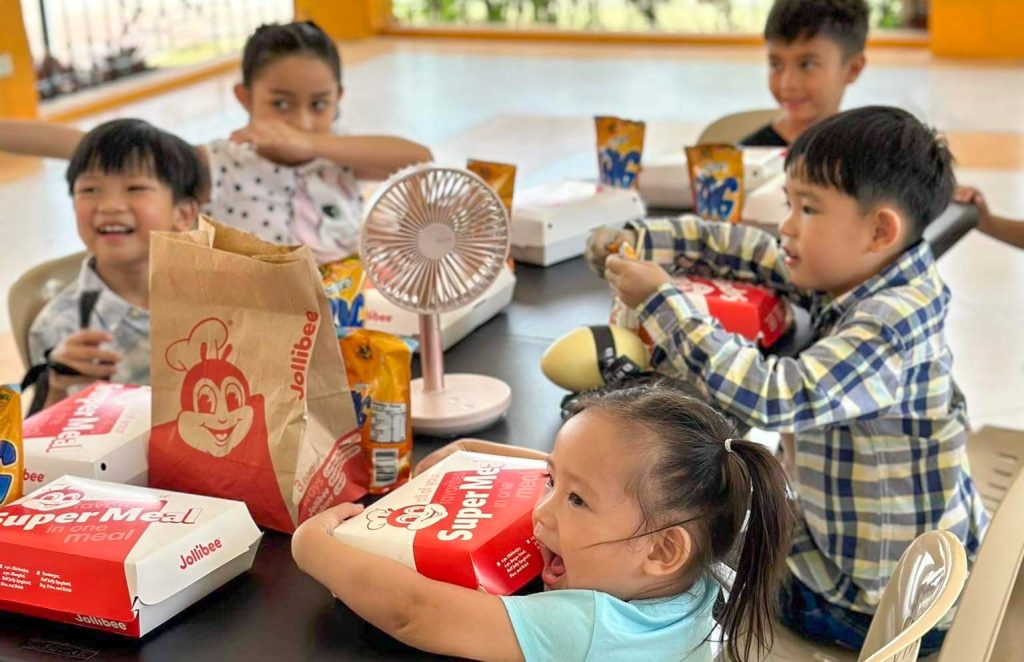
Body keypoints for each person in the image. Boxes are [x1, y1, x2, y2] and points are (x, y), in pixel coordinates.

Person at [587, 106, 989, 654]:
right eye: (789, 205)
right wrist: (641, 239)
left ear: (878, 230)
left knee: (681, 543)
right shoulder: (869, 270)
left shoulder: (890, 323)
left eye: (808, 209)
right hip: (902, 551)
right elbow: (752, 252)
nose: (787, 227)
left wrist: (663, 301)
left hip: (872, 603)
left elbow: (777, 395)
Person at [293, 387, 795, 661]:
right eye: (550, 481)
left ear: (663, 551)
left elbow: (412, 611)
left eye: (574, 500)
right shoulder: (696, 568)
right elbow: (595, 475)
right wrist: (474, 451)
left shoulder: (589, 627)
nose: (542, 511)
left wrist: (312, 545)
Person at [0, 21, 432, 264]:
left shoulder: (340, 154)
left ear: (338, 98)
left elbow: (417, 159)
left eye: (319, 104)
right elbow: (86, 144)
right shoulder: (217, 165)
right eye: (280, 104)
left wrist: (313, 145)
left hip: (355, 320)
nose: (302, 119)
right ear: (245, 98)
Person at [26, 119, 203, 409]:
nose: (109, 206)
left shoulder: (219, 296)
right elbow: (38, 441)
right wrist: (58, 384)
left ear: (183, 214)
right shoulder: (60, 325)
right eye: (90, 190)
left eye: (135, 188)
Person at [740, 0, 868, 147]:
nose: (787, 84)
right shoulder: (747, 157)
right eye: (776, 64)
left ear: (853, 69)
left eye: (807, 65)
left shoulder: (873, 155)